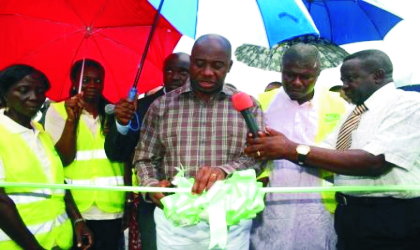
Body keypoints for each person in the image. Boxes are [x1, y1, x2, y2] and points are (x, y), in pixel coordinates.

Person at [245, 49, 420, 249]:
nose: (344, 87)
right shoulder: (356, 112)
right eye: (343, 80)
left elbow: (375, 162)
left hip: (392, 217)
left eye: (350, 79)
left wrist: (289, 149)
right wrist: (274, 144)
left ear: (378, 76)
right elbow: (325, 150)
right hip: (352, 215)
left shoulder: (409, 104)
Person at [133, 34, 264, 250]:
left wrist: (223, 170)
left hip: (231, 220)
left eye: (217, 65)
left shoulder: (248, 107)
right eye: (200, 64)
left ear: (229, 66)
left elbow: (259, 158)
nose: (207, 72)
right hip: (175, 222)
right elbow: (144, 158)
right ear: (191, 61)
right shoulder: (161, 107)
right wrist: (151, 185)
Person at [250, 44, 347, 250]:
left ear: (318, 74)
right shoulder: (259, 102)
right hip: (271, 201)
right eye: (290, 75)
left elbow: (345, 154)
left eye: (306, 77)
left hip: (318, 204)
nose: (296, 82)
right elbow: (248, 151)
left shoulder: (338, 105)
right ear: (281, 69)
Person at [0, 64, 93, 250]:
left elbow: (57, 182)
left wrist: (77, 220)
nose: (34, 97)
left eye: (40, 91)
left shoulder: (39, 131)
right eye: (23, 90)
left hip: (58, 240)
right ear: (4, 94)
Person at [104, 52, 190, 250]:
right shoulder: (141, 107)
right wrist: (121, 124)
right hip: (153, 203)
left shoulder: (206, 106)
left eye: (182, 71)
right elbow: (116, 153)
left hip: (196, 202)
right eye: (170, 70)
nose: (175, 76)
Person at [45, 59, 128, 250]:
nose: (92, 85)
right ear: (74, 81)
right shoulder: (56, 111)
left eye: (98, 81)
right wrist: (71, 120)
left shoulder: (113, 112)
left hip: (111, 206)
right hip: (75, 207)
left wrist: (128, 200)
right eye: (86, 80)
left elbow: (124, 159)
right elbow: (63, 159)